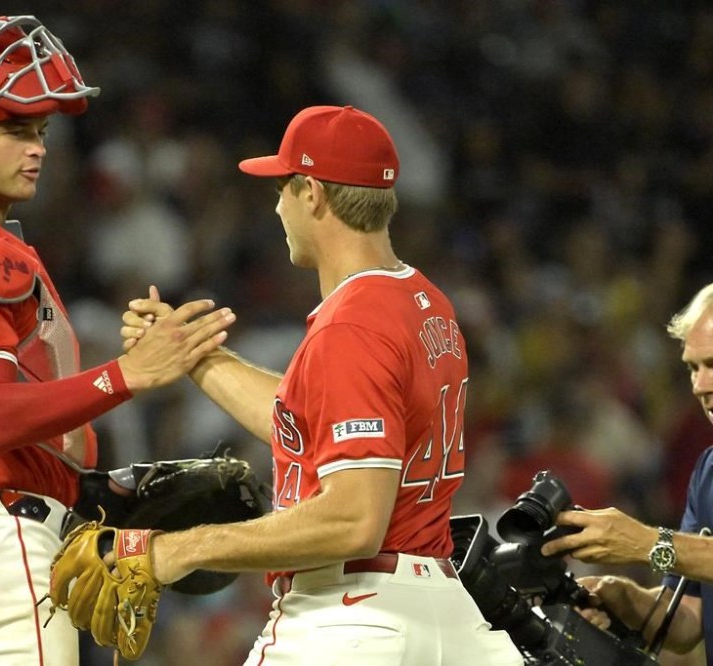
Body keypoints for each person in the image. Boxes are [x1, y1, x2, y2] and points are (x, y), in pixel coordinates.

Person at [0, 16, 234, 666]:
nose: (37, 148)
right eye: (15, 129)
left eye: (41, 132)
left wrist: (97, 492)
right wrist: (126, 375)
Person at [120, 105, 523, 664]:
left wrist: (182, 548)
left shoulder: (352, 323)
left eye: (282, 188)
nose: (277, 205)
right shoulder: (421, 300)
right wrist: (194, 357)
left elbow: (355, 518)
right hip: (440, 615)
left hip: (352, 616)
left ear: (311, 193)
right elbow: (312, 424)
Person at [542, 282, 713, 662]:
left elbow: (659, 548)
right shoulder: (708, 472)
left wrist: (647, 543)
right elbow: (688, 623)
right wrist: (626, 599)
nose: (700, 386)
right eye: (692, 368)